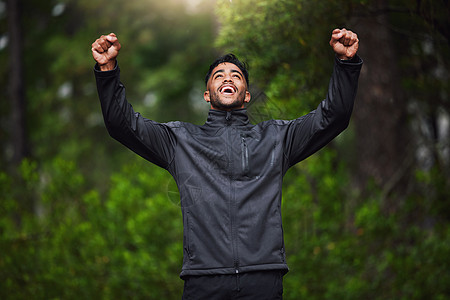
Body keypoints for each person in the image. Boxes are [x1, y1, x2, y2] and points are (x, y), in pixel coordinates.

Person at [92, 28, 362, 299]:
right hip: (203, 281)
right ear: (208, 95)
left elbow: (334, 117)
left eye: (236, 75)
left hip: (263, 279)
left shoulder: (278, 138)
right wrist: (107, 70)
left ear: (246, 95)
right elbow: (122, 125)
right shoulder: (179, 141)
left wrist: (346, 64)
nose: (227, 78)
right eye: (218, 75)